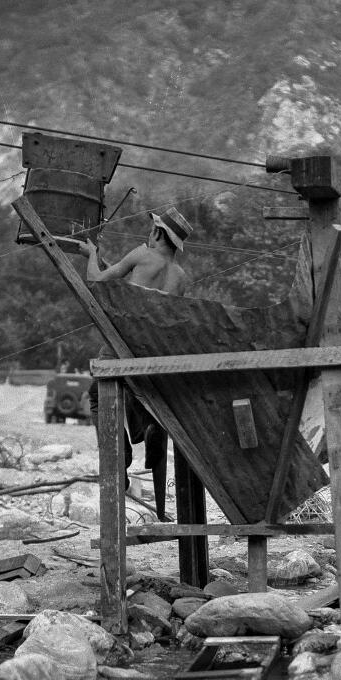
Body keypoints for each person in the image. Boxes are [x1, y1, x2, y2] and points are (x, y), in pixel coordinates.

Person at [79, 208, 193, 520]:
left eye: (153, 229)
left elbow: (98, 282)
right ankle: (149, 427)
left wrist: (91, 254)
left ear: (158, 234)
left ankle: (121, 456)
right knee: (140, 395)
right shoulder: (181, 278)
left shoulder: (143, 254)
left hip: (123, 344)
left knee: (96, 396)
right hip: (154, 352)